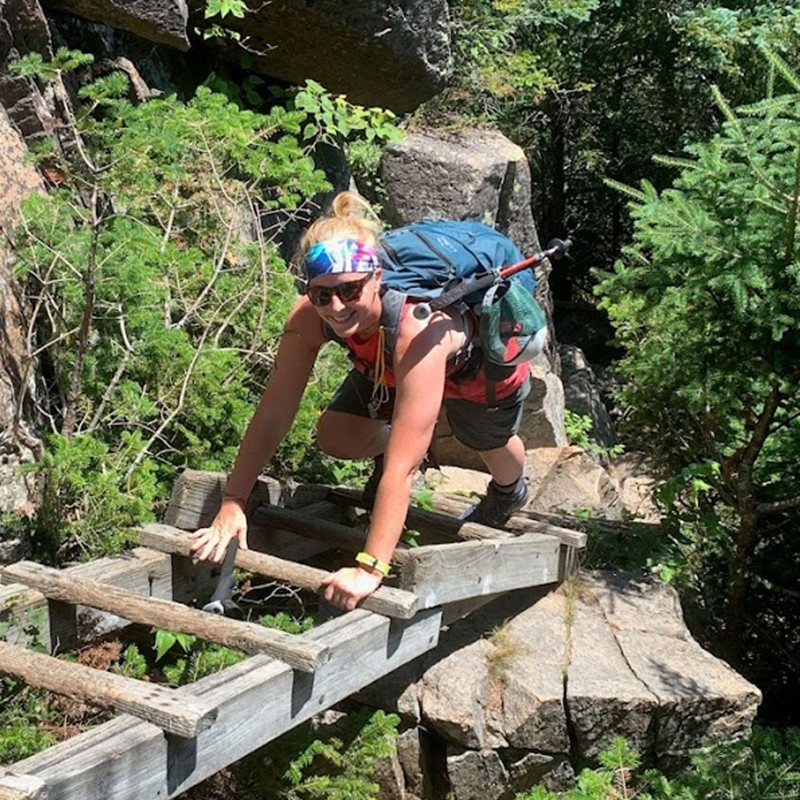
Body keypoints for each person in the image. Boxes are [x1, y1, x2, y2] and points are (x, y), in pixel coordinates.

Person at [189, 192, 532, 610]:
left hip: (476, 374)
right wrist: (233, 501)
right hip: (385, 364)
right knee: (337, 435)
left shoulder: (415, 329)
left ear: (376, 278)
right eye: (322, 294)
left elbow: (402, 469)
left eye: (350, 289)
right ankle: (417, 436)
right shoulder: (308, 318)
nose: (336, 306)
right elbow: (273, 415)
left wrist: (370, 567)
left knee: (489, 444)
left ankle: (509, 490)